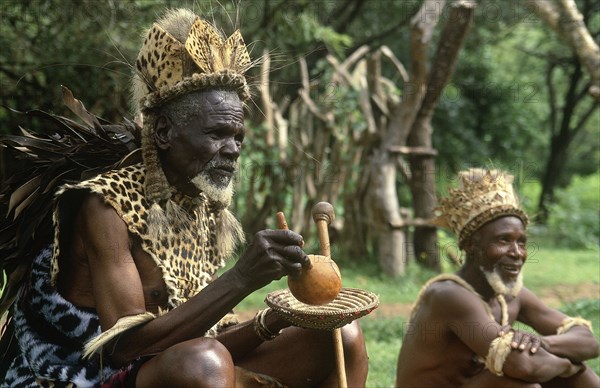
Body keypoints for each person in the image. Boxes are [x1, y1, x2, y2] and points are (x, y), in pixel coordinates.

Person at [1, 9, 368, 387]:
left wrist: (274, 318)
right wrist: (242, 277)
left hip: (184, 365)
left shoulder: (201, 203)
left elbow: (199, 338)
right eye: (216, 133)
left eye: (238, 136)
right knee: (203, 364)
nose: (233, 149)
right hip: (88, 378)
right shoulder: (105, 206)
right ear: (163, 131)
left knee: (341, 336)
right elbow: (126, 351)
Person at [395, 168, 599, 387]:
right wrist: (567, 365)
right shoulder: (448, 295)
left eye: (521, 242)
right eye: (503, 240)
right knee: (525, 383)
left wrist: (542, 343)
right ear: (471, 246)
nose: (517, 253)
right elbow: (522, 365)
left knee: (579, 376)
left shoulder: (510, 297)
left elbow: (588, 342)